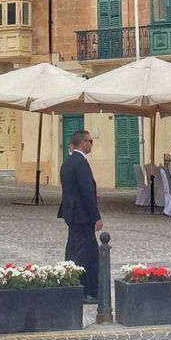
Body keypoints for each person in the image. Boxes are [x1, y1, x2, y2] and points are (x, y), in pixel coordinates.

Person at [58, 130, 102, 304]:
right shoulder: (81, 163)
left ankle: (71, 285)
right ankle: (86, 291)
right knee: (87, 254)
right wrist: (96, 217)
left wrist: (93, 192)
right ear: (84, 143)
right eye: (91, 141)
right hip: (82, 215)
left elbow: (75, 189)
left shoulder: (68, 162)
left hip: (72, 213)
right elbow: (84, 191)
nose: (92, 144)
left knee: (74, 250)